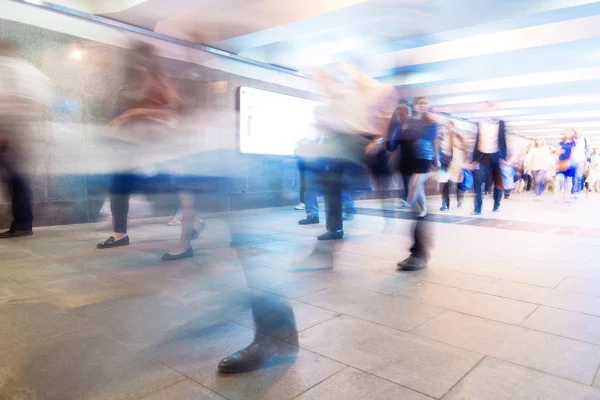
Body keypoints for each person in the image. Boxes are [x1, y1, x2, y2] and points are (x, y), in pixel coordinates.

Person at [96, 42, 179, 250]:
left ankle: (190, 214)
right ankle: (119, 235)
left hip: (150, 142)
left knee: (158, 184)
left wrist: (128, 115)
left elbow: (165, 111)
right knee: (119, 186)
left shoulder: (158, 80)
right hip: (132, 142)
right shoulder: (136, 79)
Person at [0, 40, 52, 238]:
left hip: (13, 131)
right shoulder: (32, 72)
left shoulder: (14, 70)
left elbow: (17, 103)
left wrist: (6, 131)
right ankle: (22, 223)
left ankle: (22, 224)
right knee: (16, 179)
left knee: (16, 179)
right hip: (22, 132)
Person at [387, 97, 438, 270]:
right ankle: (418, 252)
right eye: (419, 103)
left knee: (416, 186)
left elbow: (429, 138)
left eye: (425, 103)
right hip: (407, 165)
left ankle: (419, 253)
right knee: (419, 198)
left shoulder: (430, 122)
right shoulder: (405, 123)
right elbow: (393, 144)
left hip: (423, 159)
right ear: (414, 105)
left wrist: (407, 130)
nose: (422, 105)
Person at [471, 109, 508, 215]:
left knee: (498, 183)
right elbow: (477, 141)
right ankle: (477, 208)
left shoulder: (501, 124)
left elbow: (502, 141)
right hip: (482, 156)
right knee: (478, 182)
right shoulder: (481, 124)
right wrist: (474, 159)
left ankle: (497, 204)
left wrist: (503, 157)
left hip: (496, 156)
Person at [440, 121, 466, 211]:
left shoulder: (457, 137)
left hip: (455, 163)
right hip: (445, 163)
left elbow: (461, 151)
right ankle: (445, 204)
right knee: (445, 185)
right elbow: (441, 150)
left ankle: (460, 199)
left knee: (457, 183)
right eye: (447, 126)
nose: (448, 128)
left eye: (450, 126)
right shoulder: (444, 137)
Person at [555, 130, 576, 203]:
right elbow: (557, 152)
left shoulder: (574, 143)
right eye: (566, 132)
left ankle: (567, 196)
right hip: (561, 162)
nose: (568, 134)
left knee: (569, 180)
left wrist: (570, 162)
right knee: (559, 179)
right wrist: (558, 152)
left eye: (569, 132)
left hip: (570, 163)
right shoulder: (560, 143)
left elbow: (574, 154)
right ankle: (557, 195)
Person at [571, 129, 589, 197]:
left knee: (578, 176)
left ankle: (576, 191)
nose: (577, 133)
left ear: (581, 133)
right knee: (572, 176)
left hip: (581, 160)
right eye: (576, 132)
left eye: (578, 132)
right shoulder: (571, 140)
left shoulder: (585, 140)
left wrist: (587, 162)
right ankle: (572, 190)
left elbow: (588, 151)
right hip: (572, 161)